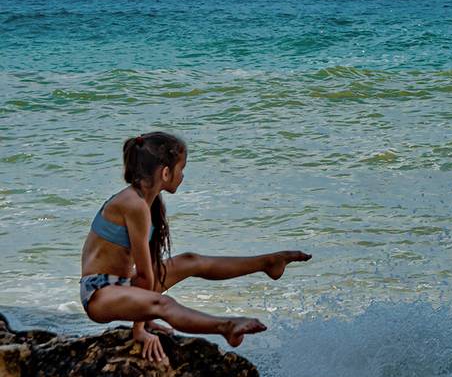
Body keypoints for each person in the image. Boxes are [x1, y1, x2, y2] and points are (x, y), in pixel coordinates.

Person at [80, 132, 310, 363]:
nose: (182, 175)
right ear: (166, 172)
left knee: (191, 260)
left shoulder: (147, 201)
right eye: (181, 168)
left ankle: (268, 263)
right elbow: (144, 276)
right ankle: (226, 326)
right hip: (99, 294)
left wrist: (142, 312)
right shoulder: (134, 205)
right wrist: (141, 327)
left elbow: (146, 270)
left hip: (120, 285)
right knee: (164, 304)